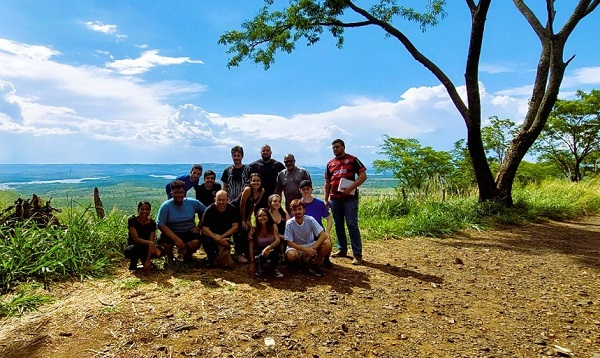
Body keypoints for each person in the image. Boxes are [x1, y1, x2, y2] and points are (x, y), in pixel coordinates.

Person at [324, 139, 367, 265]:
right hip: (335, 199)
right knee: (338, 225)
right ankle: (342, 249)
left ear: (343, 147)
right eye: (333, 148)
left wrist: (351, 188)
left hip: (350, 199)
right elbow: (327, 182)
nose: (335, 149)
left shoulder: (353, 159)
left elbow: (363, 176)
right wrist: (326, 199)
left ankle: (357, 254)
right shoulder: (330, 164)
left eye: (337, 147)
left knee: (352, 225)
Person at [157, 180, 207, 263]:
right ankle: (170, 258)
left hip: (188, 230)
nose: (179, 195)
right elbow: (160, 224)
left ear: (184, 193)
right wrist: (176, 239)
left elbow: (206, 212)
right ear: (171, 193)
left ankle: (187, 256)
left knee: (195, 242)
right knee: (165, 243)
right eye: (176, 193)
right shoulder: (166, 206)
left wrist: (199, 226)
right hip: (172, 231)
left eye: (181, 192)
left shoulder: (192, 203)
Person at [284, 199, 332, 277]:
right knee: (291, 255)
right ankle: (297, 264)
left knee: (327, 243)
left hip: (310, 245)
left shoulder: (310, 219)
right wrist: (306, 250)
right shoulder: (289, 223)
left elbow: (322, 235)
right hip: (296, 248)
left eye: (300, 209)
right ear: (292, 212)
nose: (297, 212)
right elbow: (289, 242)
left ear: (304, 210)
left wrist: (313, 248)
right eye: (295, 210)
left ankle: (315, 264)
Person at [299, 179, 334, 269]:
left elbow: (329, 218)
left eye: (308, 188)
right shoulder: (298, 204)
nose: (306, 191)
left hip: (317, 233)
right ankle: (307, 260)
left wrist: (327, 232)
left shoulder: (319, 203)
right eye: (303, 189)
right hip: (303, 234)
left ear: (311, 189)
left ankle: (320, 261)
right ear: (300, 190)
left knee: (328, 242)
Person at [232, 173, 265, 263]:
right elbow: (242, 206)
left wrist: (248, 219)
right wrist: (243, 220)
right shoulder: (247, 190)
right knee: (240, 228)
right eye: (253, 180)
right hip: (235, 209)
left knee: (249, 229)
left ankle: (247, 251)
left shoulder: (261, 191)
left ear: (261, 182)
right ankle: (238, 253)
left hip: (246, 211)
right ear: (250, 182)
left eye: (258, 181)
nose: (256, 182)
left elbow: (254, 205)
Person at [201, 190, 239, 268]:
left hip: (225, 235)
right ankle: (212, 259)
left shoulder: (232, 209)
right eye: (219, 199)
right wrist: (216, 238)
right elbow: (205, 229)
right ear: (215, 199)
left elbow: (235, 227)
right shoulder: (209, 210)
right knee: (207, 242)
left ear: (228, 199)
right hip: (211, 235)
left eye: (223, 200)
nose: (221, 202)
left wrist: (221, 237)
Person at [124, 201, 164, 271]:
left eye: (147, 209)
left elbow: (151, 242)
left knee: (160, 251)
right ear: (138, 210)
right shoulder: (132, 220)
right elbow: (136, 239)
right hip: (133, 247)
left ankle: (145, 261)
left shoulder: (152, 223)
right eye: (142, 209)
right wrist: (150, 243)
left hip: (146, 247)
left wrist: (148, 259)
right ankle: (133, 264)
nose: (144, 211)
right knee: (137, 247)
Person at [248, 208, 283, 278]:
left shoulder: (273, 226)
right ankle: (260, 269)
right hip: (260, 250)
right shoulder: (254, 230)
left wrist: (269, 247)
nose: (262, 218)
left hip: (271, 248)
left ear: (268, 216)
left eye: (264, 215)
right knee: (259, 259)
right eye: (260, 216)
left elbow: (277, 240)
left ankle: (275, 268)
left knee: (275, 251)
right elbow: (251, 247)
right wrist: (252, 263)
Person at [248, 144, 285, 210]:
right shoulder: (253, 166)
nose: (265, 152)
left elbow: (285, 178)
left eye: (267, 150)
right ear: (260, 152)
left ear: (271, 152)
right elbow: (248, 181)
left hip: (272, 197)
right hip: (259, 197)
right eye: (263, 150)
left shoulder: (278, 165)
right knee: (260, 218)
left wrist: (279, 190)